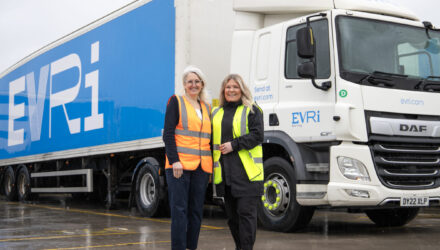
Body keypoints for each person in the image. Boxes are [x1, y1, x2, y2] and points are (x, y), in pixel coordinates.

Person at [211, 74, 264, 250]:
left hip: (247, 175)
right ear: (223, 91)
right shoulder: (216, 112)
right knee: (232, 218)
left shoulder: (252, 109)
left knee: (246, 215)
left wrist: (234, 145)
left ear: (242, 89)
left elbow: (258, 136)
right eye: (228, 87)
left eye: (235, 87)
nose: (231, 90)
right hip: (226, 176)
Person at [163, 66, 212, 250]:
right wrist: (174, 160)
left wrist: (212, 167)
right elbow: (168, 134)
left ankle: (191, 247)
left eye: (197, 81)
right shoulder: (176, 101)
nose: (193, 85)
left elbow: (209, 138)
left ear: (202, 84)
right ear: (184, 85)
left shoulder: (207, 107)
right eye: (190, 81)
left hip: (201, 167)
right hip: (179, 166)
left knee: (196, 212)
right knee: (179, 211)